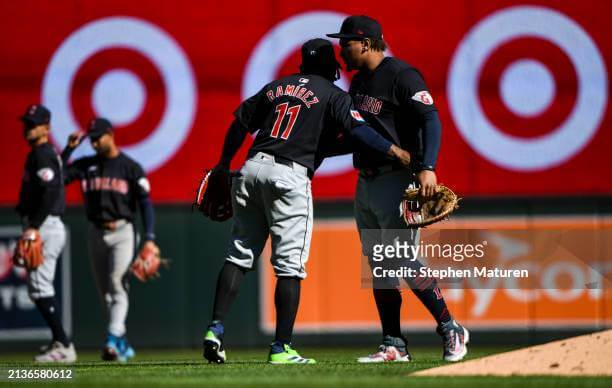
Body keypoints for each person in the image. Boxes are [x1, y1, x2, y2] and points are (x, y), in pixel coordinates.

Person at [202, 38, 412, 365]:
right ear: (332, 68)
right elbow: (358, 132)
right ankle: (281, 348)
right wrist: (394, 150)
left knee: (239, 253)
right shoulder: (334, 95)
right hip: (288, 177)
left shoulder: (277, 87)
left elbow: (241, 122)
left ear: (302, 65)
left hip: (251, 168)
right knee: (289, 266)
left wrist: (222, 163)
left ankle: (215, 328)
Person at [327, 15, 469, 362]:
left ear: (367, 42)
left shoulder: (402, 75)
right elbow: (359, 134)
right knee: (381, 266)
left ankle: (451, 327)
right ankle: (393, 344)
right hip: (366, 180)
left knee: (402, 259)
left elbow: (430, 118)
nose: (342, 49)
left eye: (347, 42)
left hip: (397, 178)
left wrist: (428, 167)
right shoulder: (358, 83)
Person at [61, 118, 158, 362]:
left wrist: (149, 238)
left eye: (98, 137)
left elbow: (146, 203)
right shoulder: (86, 165)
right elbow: (55, 179)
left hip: (123, 231)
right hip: (95, 231)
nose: (94, 141)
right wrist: (69, 150)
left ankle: (113, 338)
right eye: (91, 137)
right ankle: (121, 341)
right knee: (105, 293)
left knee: (117, 283)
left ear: (111, 135)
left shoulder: (129, 167)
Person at [16, 104, 77, 362]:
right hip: (45, 224)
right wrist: (69, 150)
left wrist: (33, 226)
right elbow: (58, 173)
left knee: (40, 288)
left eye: (33, 124)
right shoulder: (46, 152)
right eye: (27, 123)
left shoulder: (41, 153)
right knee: (39, 288)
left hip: (45, 225)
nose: (28, 128)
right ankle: (58, 340)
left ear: (46, 128)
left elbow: (52, 189)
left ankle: (64, 345)